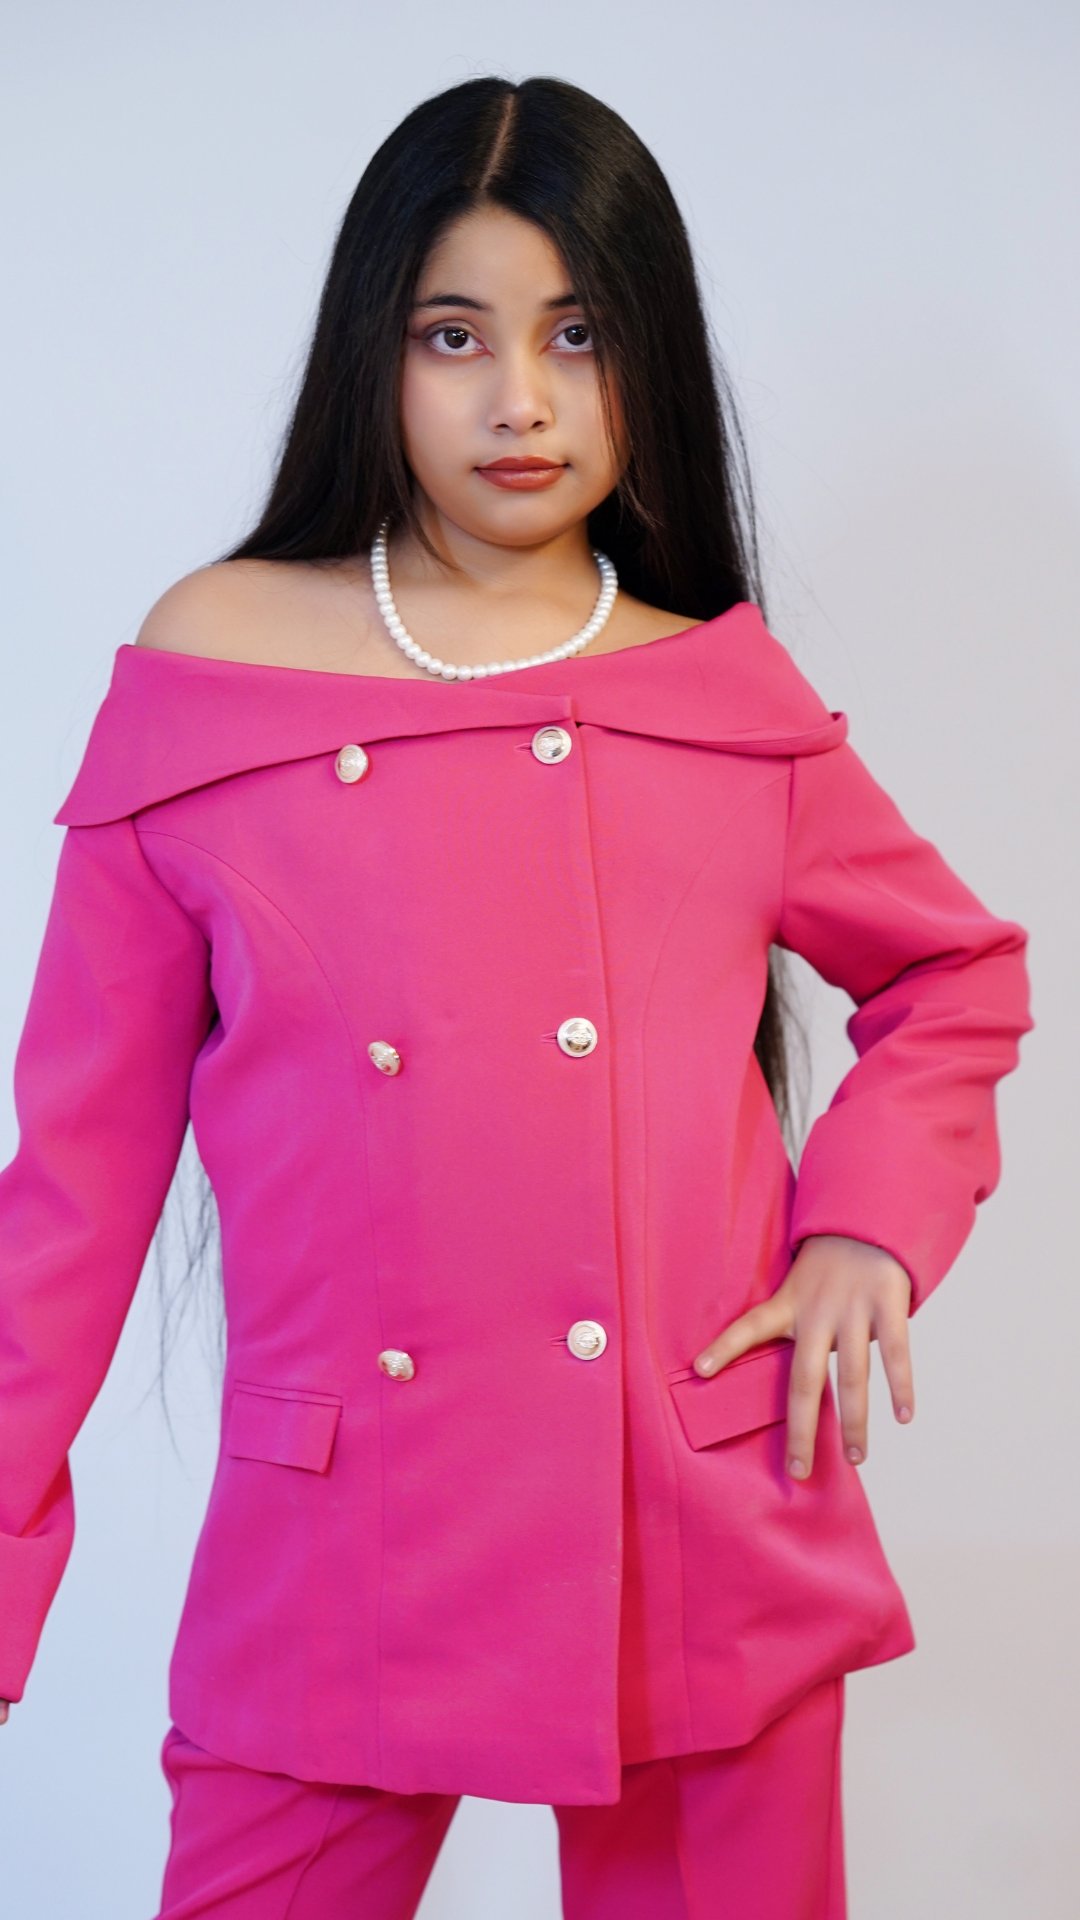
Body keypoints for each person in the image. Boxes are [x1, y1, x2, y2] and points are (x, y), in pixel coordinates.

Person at [0, 73, 1033, 1920]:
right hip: (338, 1537)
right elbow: (72, 1194)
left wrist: (864, 1230)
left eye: (578, 333)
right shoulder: (213, 671)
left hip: (699, 1522)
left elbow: (955, 971)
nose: (521, 403)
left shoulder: (717, 698)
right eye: (453, 335)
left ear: (649, 359)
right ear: (373, 355)